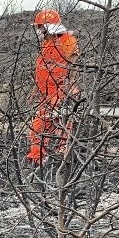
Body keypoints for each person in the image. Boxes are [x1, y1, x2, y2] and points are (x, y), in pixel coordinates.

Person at [27, 9, 80, 165]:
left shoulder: (67, 40)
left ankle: (60, 159)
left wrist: (68, 88)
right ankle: (39, 159)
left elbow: (74, 64)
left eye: (40, 26)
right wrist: (35, 90)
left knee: (58, 125)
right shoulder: (46, 43)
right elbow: (41, 69)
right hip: (46, 93)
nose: (38, 30)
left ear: (48, 26)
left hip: (60, 91)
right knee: (40, 127)